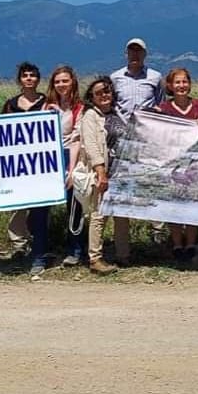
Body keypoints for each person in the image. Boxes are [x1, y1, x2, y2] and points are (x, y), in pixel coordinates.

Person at [110, 37, 168, 247]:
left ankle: (157, 233)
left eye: (138, 51)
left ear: (145, 54)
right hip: (122, 140)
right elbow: (111, 105)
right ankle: (124, 239)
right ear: (126, 54)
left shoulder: (155, 77)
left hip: (147, 139)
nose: (135, 55)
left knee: (151, 182)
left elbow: (161, 104)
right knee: (122, 185)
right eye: (131, 51)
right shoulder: (115, 78)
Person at [156, 68, 198, 262]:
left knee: (192, 203)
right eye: (177, 82)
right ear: (170, 86)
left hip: (194, 162)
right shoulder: (164, 108)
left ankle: (190, 244)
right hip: (172, 162)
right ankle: (176, 244)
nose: (181, 86)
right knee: (173, 203)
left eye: (184, 82)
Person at [73, 76, 125, 275]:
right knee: (99, 214)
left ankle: (123, 254)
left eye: (107, 91)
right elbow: (92, 146)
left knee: (121, 214)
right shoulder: (90, 116)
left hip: (120, 171)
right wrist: (100, 172)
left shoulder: (117, 113)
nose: (104, 95)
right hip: (102, 171)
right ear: (92, 97)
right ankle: (95, 258)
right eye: (98, 93)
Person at [1, 62, 49, 271]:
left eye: (32, 75)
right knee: (17, 204)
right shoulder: (10, 105)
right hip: (16, 162)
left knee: (39, 207)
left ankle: (39, 244)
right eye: (25, 75)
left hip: (41, 163)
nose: (29, 78)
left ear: (38, 79)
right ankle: (19, 244)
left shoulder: (47, 103)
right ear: (20, 79)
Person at [41, 66, 90, 268]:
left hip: (71, 155)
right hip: (49, 157)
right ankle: (43, 248)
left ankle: (75, 249)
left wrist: (71, 168)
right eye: (57, 81)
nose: (61, 85)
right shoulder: (47, 105)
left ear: (72, 82)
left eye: (65, 81)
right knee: (43, 205)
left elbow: (77, 139)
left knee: (74, 205)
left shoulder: (79, 107)